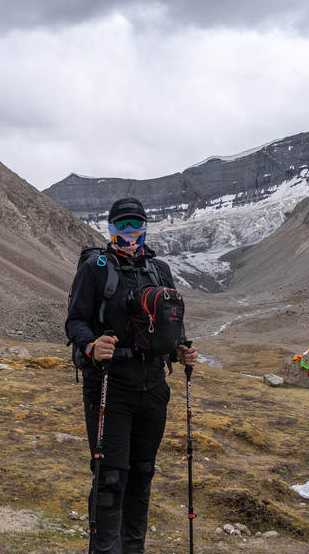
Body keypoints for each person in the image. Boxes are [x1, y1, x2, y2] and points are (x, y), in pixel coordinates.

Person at [65, 197, 198, 554]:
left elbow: (170, 328)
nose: (129, 232)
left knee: (142, 474)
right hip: (109, 386)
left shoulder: (160, 271)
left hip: (154, 387)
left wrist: (181, 349)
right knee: (110, 478)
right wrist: (92, 346)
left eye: (135, 224)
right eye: (121, 225)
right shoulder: (95, 267)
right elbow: (74, 320)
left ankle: (133, 549)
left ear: (145, 226)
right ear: (110, 229)